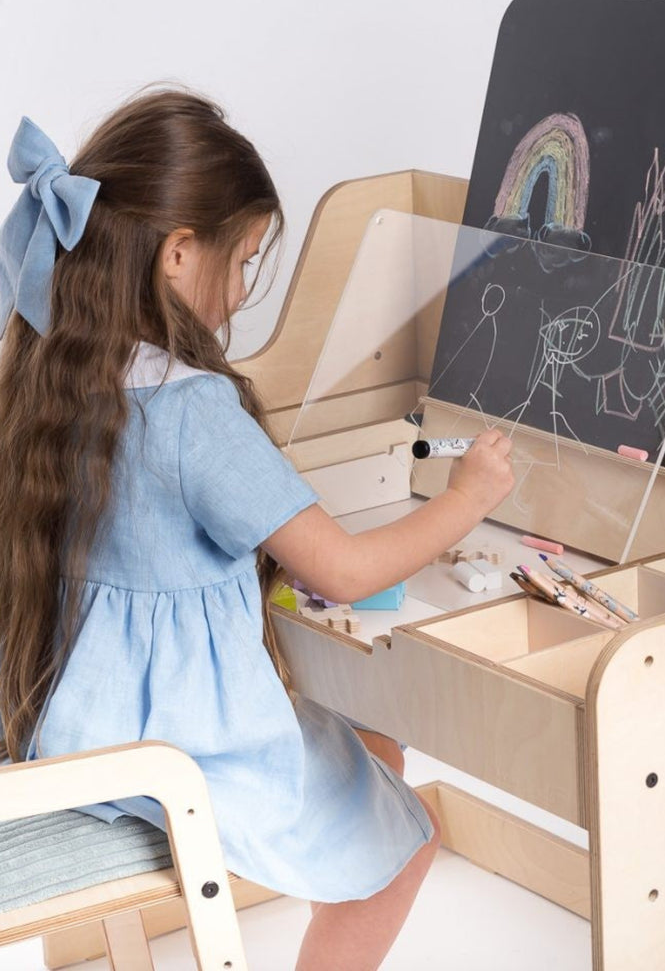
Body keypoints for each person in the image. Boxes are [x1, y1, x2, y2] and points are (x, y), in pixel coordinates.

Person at [0, 88, 514, 970]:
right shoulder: (192, 410)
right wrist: (465, 498)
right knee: (411, 839)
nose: (241, 293)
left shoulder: (49, 373)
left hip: (78, 734)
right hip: (185, 757)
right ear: (177, 253)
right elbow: (346, 572)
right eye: (241, 263)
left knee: (376, 748)